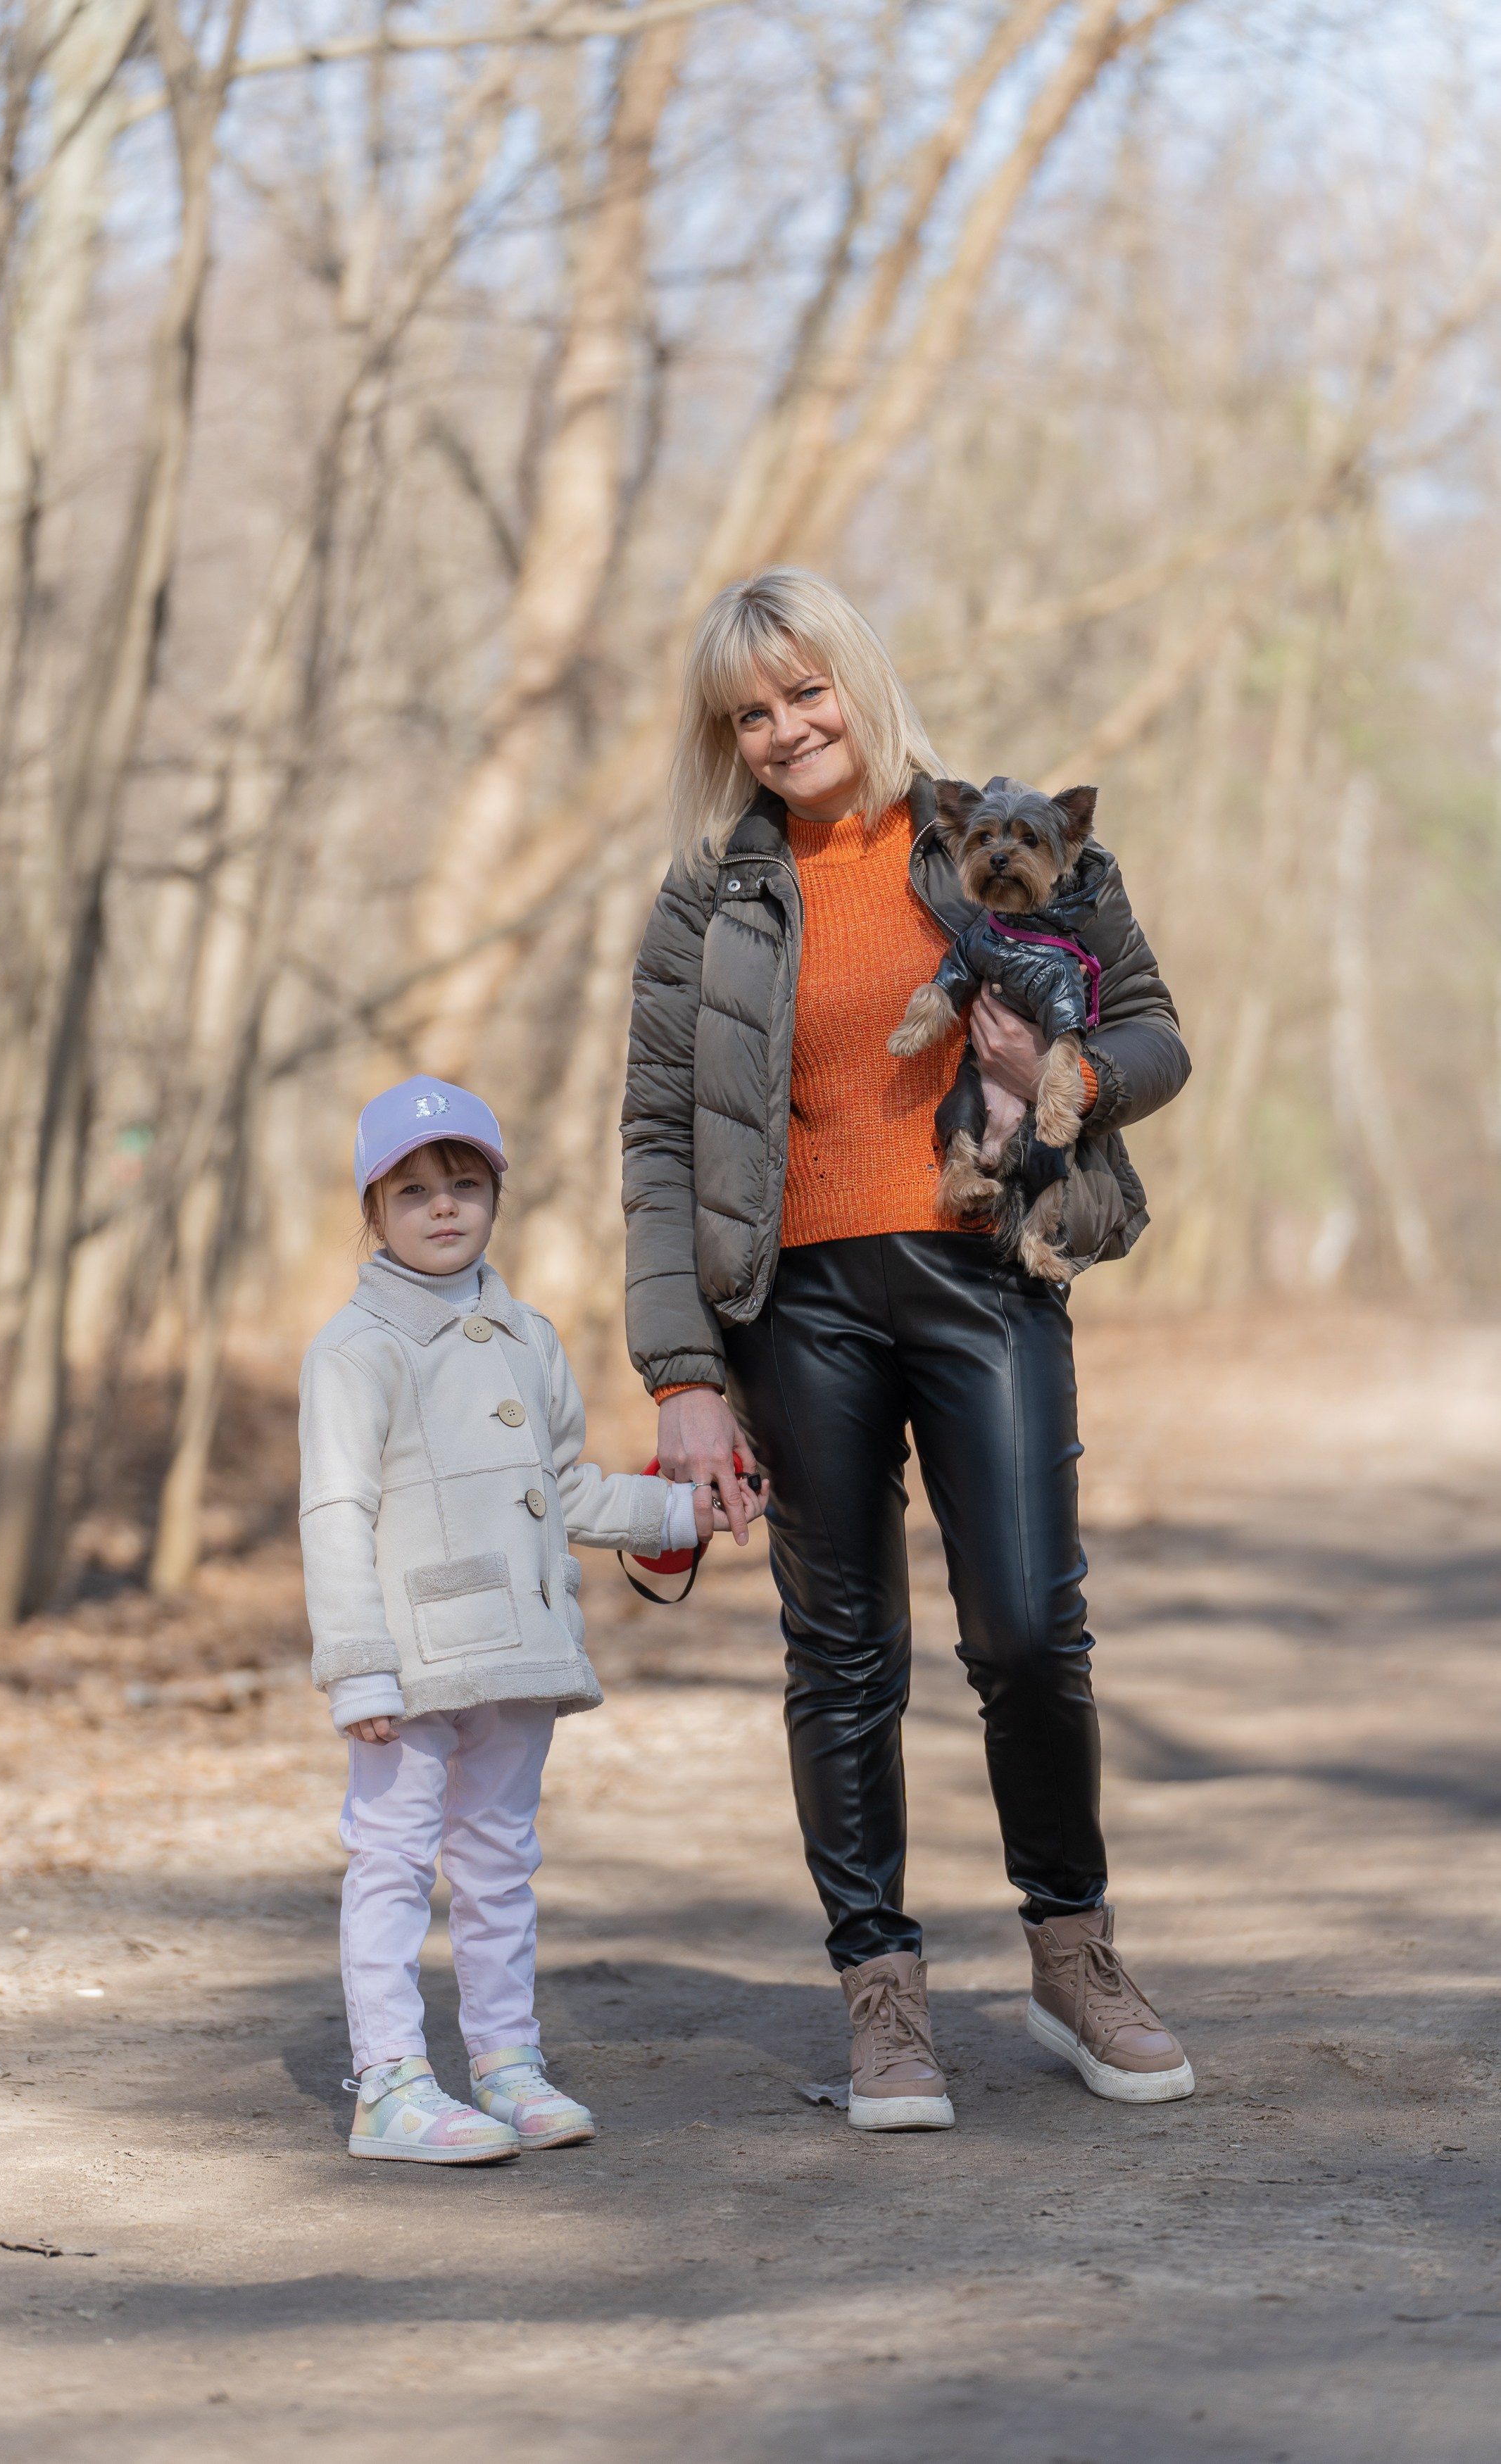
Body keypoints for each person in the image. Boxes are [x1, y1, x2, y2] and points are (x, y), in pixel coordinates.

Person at [621, 567, 1195, 2130]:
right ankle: (882, 1995)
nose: (786, 727)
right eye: (751, 711)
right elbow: (661, 1140)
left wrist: (1062, 1063)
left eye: (806, 691)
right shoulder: (707, 899)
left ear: (858, 684)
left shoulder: (1004, 850)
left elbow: (1156, 1035)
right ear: (728, 737)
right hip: (793, 1301)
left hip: (985, 1268)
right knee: (843, 1652)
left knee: (1025, 1628)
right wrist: (682, 1376)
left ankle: (1075, 1958)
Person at [300, 1075, 760, 2163]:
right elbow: (334, 1513)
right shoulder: (357, 1348)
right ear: (373, 1211)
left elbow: (565, 1490)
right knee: (392, 1863)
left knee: (499, 1860)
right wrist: (357, 1669)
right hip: (412, 1663)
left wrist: (678, 1509)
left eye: (463, 1183)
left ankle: (505, 2063)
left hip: (517, 1653)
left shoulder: (528, 1338)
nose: (443, 1207)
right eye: (413, 1191)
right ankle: (391, 2085)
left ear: (496, 1195)